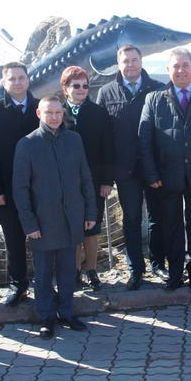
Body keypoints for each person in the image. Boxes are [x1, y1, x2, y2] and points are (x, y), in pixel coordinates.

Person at [139, 47, 191, 290]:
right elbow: (144, 140)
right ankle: (175, 273)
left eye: (185, 65)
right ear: (168, 70)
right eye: (175, 66)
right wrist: (151, 174)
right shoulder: (154, 99)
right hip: (167, 178)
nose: (181, 70)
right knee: (171, 227)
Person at [12, 96, 97, 339]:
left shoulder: (74, 140)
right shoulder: (27, 144)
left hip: (72, 218)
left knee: (68, 271)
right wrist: (29, 224)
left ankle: (67, 312)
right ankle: (46, 317)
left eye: (58, 112)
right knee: (43, 273)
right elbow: (20, 189)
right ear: (39, 114)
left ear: (63, 114)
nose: (54, 117)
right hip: (43, 221)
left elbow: (85, 178)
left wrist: (90, 212)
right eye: (49, 112)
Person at [96, 45, 166, 290]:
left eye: (135, 60)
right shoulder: (106, 92)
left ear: (141, 61)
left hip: (154, 168)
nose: (131, 65)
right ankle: (136, 268)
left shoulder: (158, 89)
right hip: (125, 170)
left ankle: (158, 263)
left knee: (157, 219)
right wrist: (106, 175)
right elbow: (103, 137)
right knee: (132, 220)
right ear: (119, 63)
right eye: (126, 61)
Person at [0, 62, 40, 306]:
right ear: (3, 82)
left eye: (21, 77)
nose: (17, 82)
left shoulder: (41, 108)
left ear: (28, 80)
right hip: (7, 190)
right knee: (14, 241)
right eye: (12, 78)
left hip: (40, 189)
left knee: (44, 240)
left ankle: (45, 285)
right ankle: (18, 285)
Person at [60, 66, 114, 291]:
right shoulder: (57, 112)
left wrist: (107, 181)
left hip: (93, 180)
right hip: (65, 183)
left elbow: (108, 148)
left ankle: (91, 270)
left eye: (85, 85)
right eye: (76, 85)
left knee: (91, 227)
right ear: (65, 88)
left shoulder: (98, 113)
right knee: (72, 228)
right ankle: (74, 272)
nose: (81, 89)